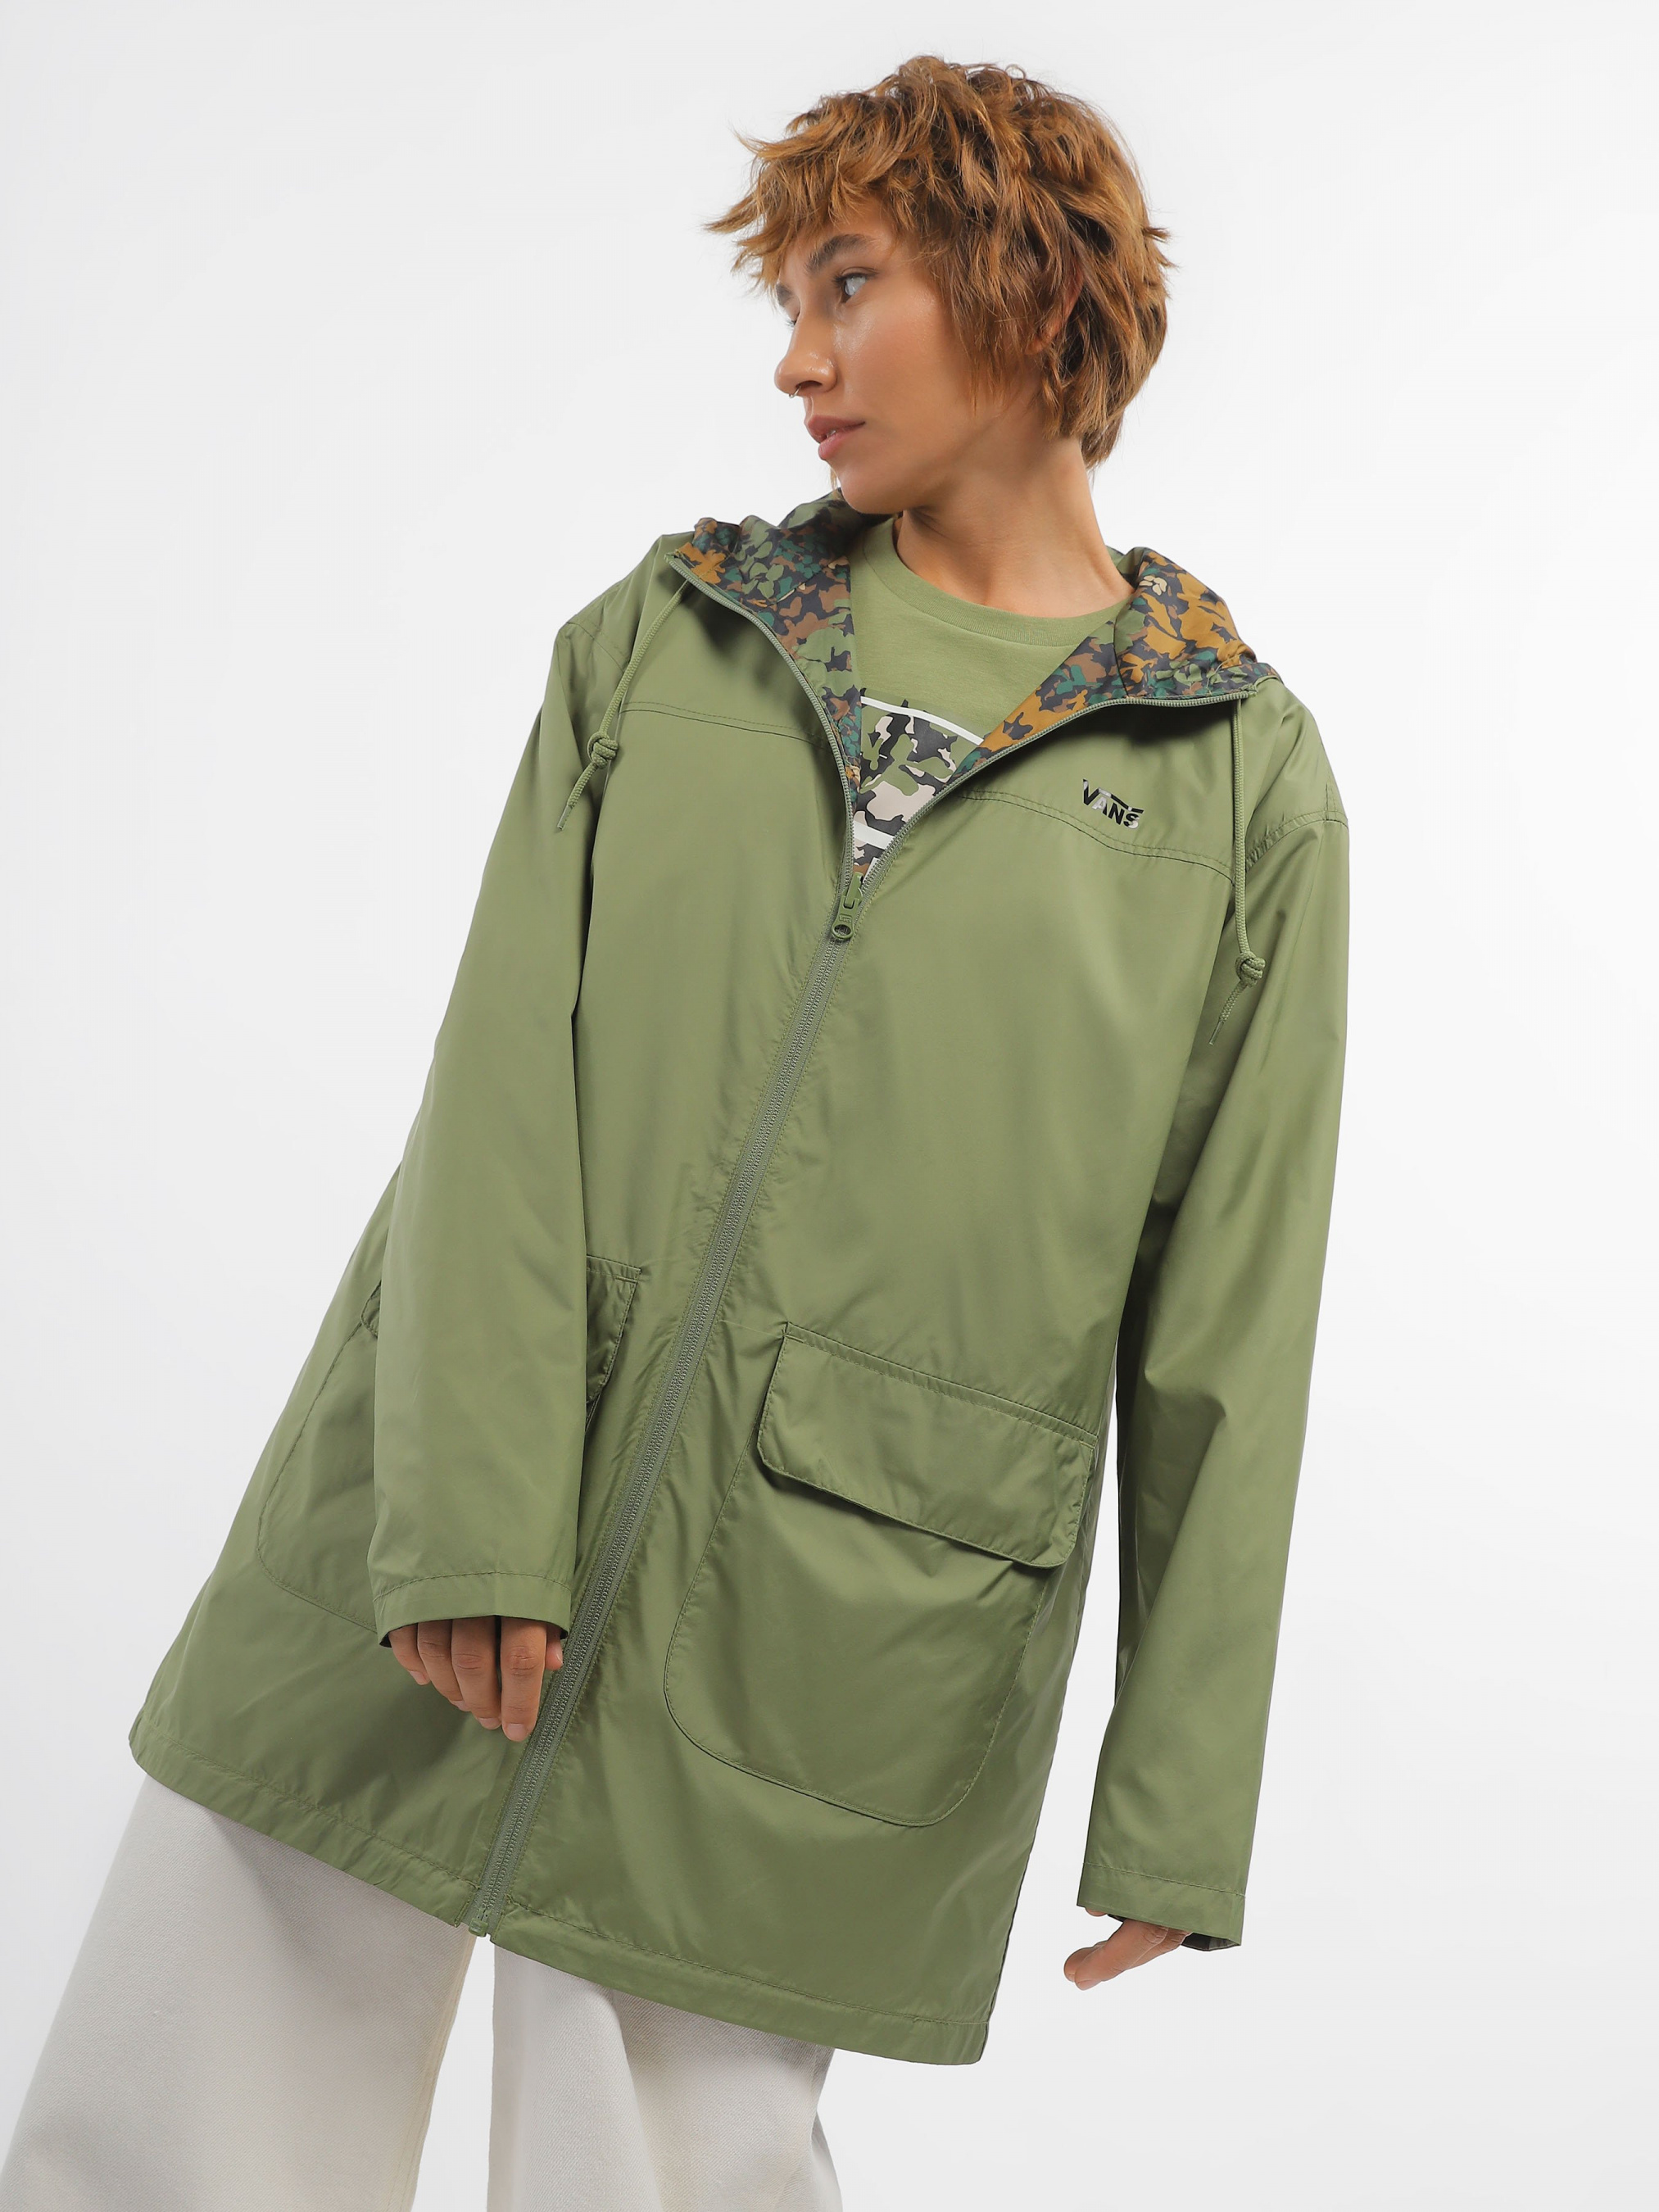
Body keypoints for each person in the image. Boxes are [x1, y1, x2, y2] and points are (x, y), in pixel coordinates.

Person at [1, 53, 1349, 2212]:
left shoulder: (1235, 785)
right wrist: (467, 1523)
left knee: (668, 2160)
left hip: (835, 1612)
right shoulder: (669, 639)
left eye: (847, 285)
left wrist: (1176, 1798)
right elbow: (495, 1089)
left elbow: (1229, 1325)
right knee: (184, 2098)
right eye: (786, 304)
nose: (797, 361)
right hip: (435, 1502)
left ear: (1024, 286)